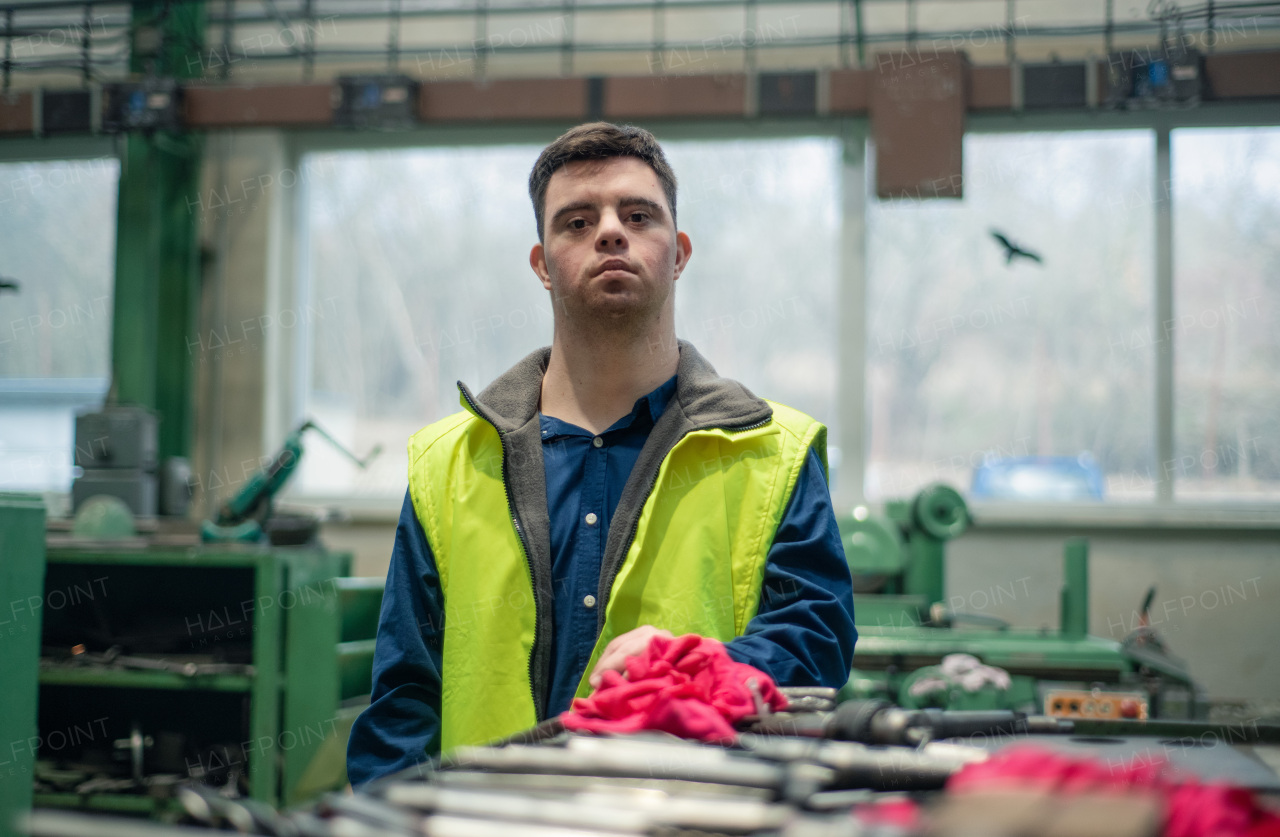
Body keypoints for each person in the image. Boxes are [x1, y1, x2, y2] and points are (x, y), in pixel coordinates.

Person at [345, 122, 856, 787]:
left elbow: (815, 642)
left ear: (678, 252)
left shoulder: (772, 452)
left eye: (638, 215)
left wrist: (691, 664)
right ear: (541, 264)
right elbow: (406, 698)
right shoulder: (450, 463)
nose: (610, 232)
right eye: (577, 222)